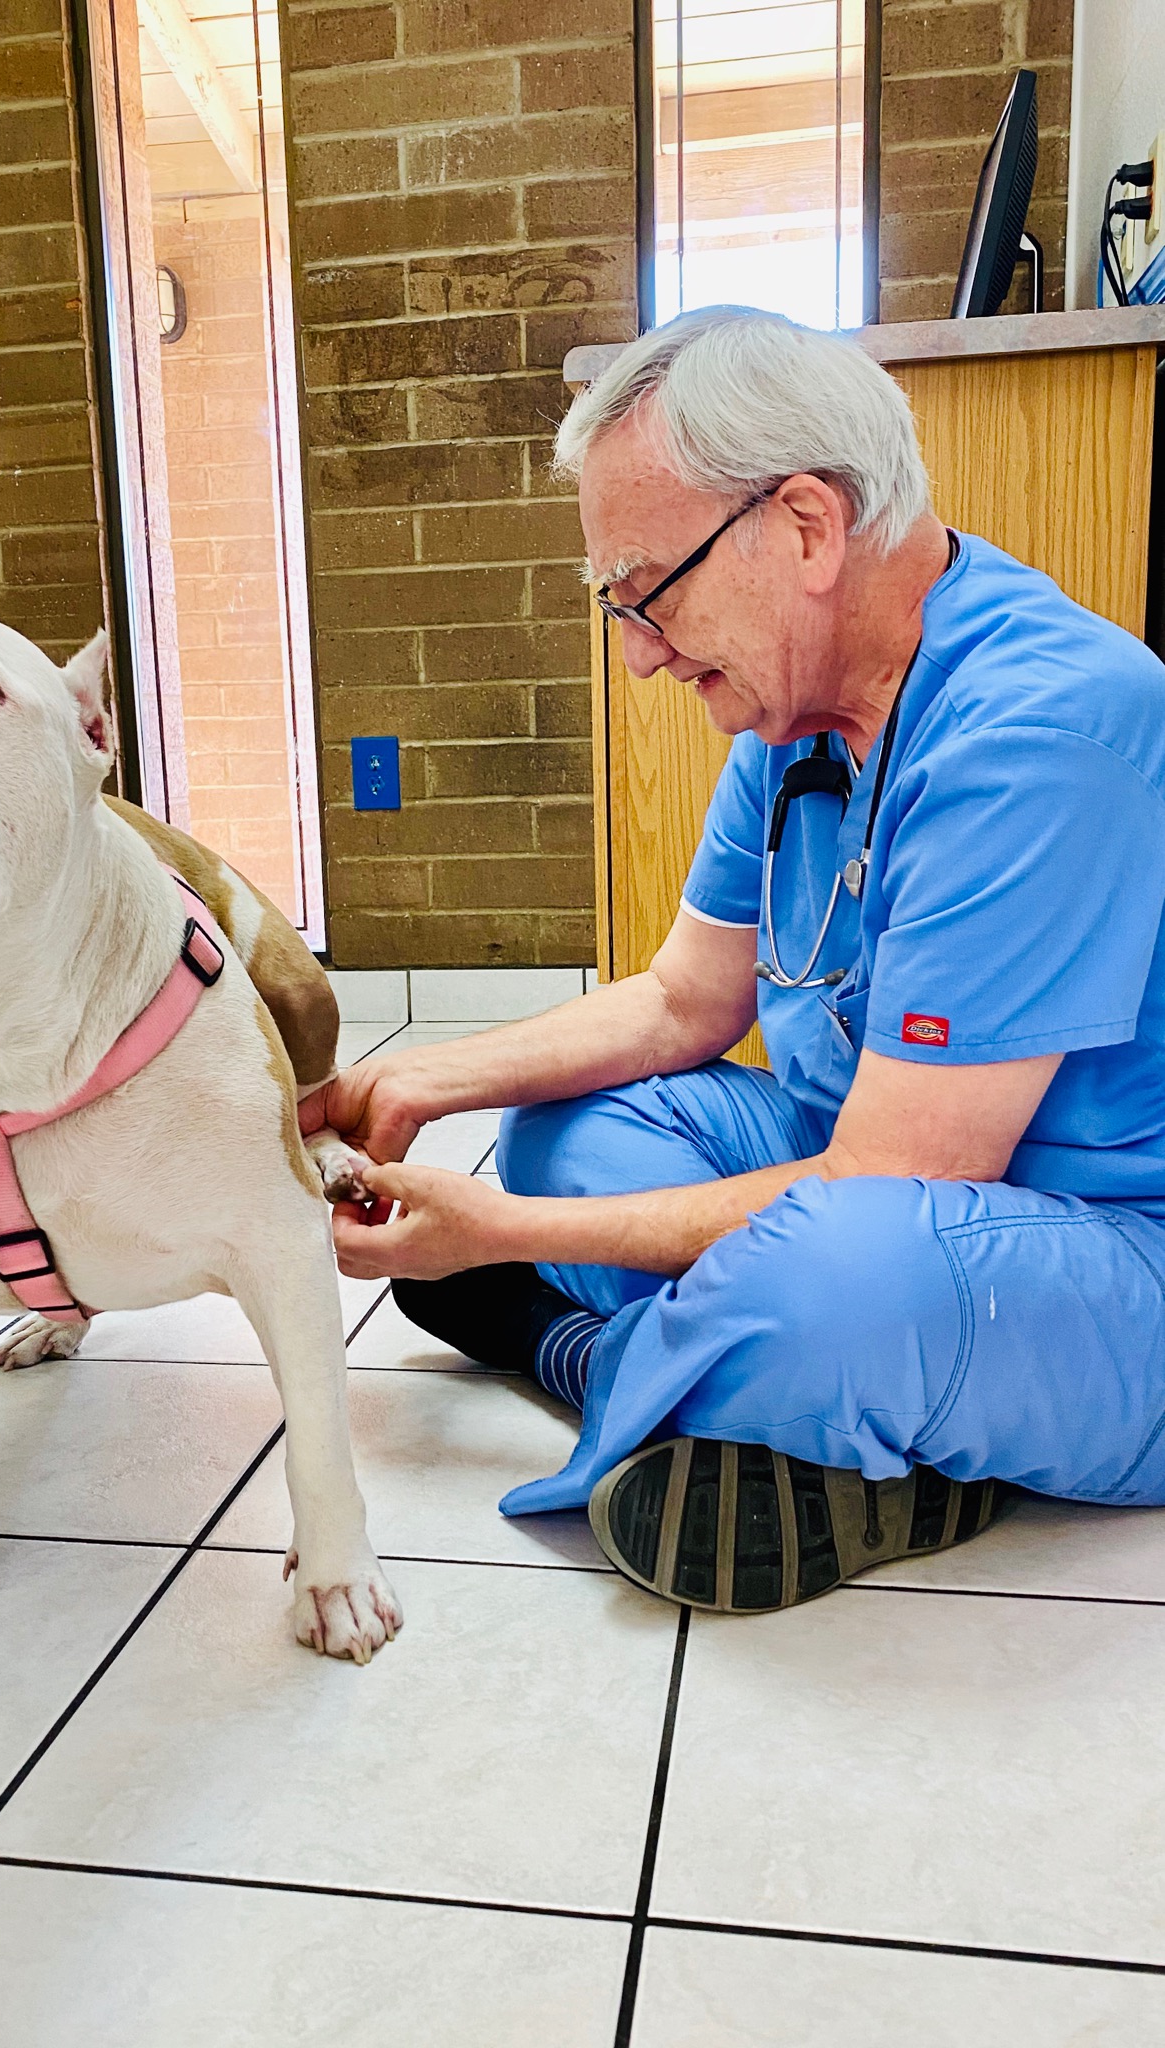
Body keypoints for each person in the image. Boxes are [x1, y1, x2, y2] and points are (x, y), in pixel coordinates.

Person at [304, 306, 1165, 1614]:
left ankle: (582, 1359)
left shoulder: (1047, 727)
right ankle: (798, 1408)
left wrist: (504, 1242)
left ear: (809, 527)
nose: (640, 654)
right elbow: (683, 1002)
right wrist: (428, 1081)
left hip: (1106, 1253)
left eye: (647, 593)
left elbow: (900, 1180)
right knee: (559, 1131)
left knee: (837, 1275)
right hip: (861, 1172)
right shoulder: (794, 719)